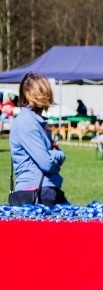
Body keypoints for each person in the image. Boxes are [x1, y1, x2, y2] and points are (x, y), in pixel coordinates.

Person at [9, 72, 68, 207]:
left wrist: (52, 154)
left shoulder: (37, 122)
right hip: (37, 194)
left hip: (46, 190)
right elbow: (47, 163)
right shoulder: (27, 123)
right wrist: (60, 155)